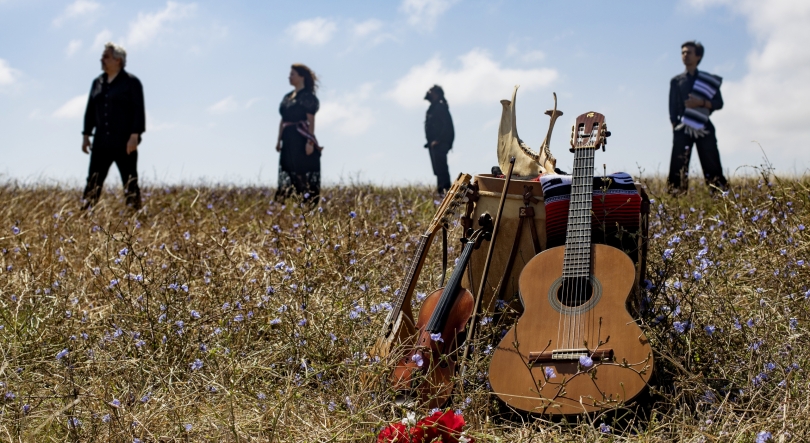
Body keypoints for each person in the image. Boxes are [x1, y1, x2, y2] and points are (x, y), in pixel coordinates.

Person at [81, 42, 145, 210]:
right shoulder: (97, 82)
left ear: (118, 60)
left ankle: (134, 216)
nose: (102, 59)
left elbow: (138, 110)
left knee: (130, 180)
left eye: (106, 56)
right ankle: (85, 216)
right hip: (101, 141)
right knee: (93, 180)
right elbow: (90, 110)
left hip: (125, 142)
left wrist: (134, 135)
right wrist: (86, 135)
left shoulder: (132, 82)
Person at [667, 41, 727, 194]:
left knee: (711, 163)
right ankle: (676, 196)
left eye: (689, 52)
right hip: (683, 127)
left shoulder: (708, 80)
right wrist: (675, 126)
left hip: (704, 126)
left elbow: (719, 103)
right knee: (678, 165)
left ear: (698, 56)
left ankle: (719, 195)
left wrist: (701, 103)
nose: (685, 55)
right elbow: (672, 106)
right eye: (683, 53)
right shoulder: (676, 81)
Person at [275, 64, 321, 202]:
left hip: (301, 138)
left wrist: (310, 142)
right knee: (288, 169)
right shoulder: (287, 97)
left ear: (301, 76)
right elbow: (283, 120)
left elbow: (311, 121)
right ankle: (287, 204)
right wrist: (278, 140)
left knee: (301, 171)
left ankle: (306, 204)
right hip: (288, 139)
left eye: (292, 74)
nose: (289, 77)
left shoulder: (307, 96)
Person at [424, 85, 454, 194]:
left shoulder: (440, 108)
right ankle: (442, 193)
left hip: (439, 144)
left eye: (430, 90)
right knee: (438, 170)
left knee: (442, 170)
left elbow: (447, 126)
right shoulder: (434, 107)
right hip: (435, 144)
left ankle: (444, 193)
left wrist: (438, 140)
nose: (428, 92)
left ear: (436, 94)